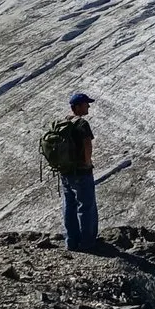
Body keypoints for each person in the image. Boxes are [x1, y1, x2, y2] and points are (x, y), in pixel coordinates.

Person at [41, 92, 98, 250]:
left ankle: (71, 242)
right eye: (86, 103)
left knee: (69, 205)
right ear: (77, 106)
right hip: (81, 171)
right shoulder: (81, 124)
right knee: (86, 207)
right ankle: (88, 244)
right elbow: (87, 144)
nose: (88, 106)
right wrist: (87, 163)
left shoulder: (61, 122)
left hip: (65, 170)